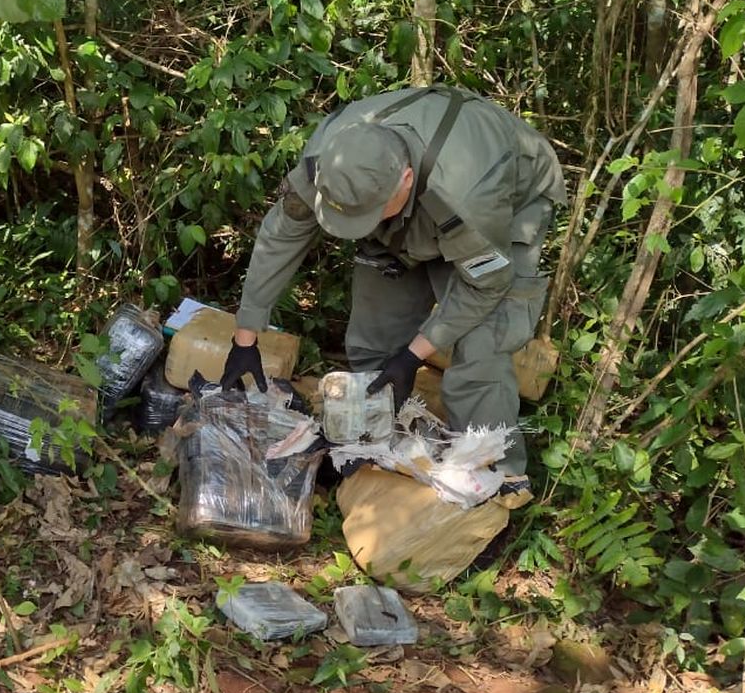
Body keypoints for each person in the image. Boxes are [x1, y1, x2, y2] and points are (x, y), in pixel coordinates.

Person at [219, 85, 566, 475]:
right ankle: (373, 457)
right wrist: (245, 337)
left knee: (479, 351)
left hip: (506, 205)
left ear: (404, 179)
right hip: (415, 209)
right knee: (374, 338)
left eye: (366, 214)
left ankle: (494, 482)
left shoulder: (469, 193)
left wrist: (412, 356)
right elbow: (283, 235)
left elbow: (485, 283)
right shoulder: (329, 157)